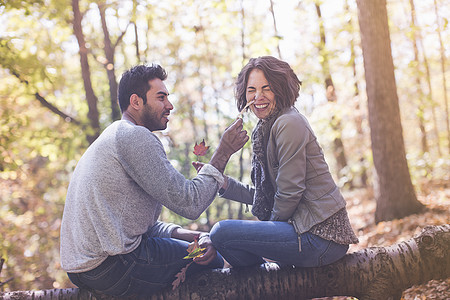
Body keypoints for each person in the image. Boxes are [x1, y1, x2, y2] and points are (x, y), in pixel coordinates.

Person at [59, 64, 249, 297]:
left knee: (197, 249)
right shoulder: (134, 137)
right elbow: (190, 203)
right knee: (210, 260)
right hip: (116, 267)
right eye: (161, 98)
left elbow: (138, 227)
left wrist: (189, 235)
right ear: (136, 102)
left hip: (85, 270)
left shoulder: (115, 136)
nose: (170, 105)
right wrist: (223, 152)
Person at [208, 56, 359, 269]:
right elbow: (266, 197)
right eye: (251, 90)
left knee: (221, 232)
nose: (257, 97)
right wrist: (224, 184)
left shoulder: (288, 122)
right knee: (225, 237)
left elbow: (290, 192)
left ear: (280, 89)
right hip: (301, 230)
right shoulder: (264, 129)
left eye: (266, 88)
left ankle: (264, 282)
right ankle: (266, 285)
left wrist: (269, 234)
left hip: (321, 236)